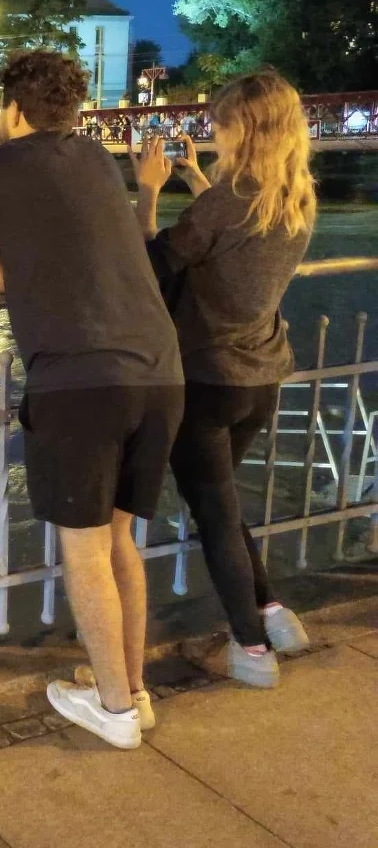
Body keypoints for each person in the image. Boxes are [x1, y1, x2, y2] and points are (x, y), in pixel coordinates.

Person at [0, 50, 183, 751]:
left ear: (13, 108)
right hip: (158, 369)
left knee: (83, 548)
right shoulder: (96, 160)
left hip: (79, 379)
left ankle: (114, 711)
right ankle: (133, 690)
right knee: (120, 539)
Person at [133, 71, 315, 688]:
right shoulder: (293, 194)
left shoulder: (226, 200)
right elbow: (236, 239)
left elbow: (150, 266)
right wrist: (196, 179)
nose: (214, 129)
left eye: (222, 121)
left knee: (213, 512)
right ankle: (275, 614)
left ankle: (252, 649)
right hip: (260, 378)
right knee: (220, 501)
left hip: (208, 379)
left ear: (248, 127)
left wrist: (149, 192)